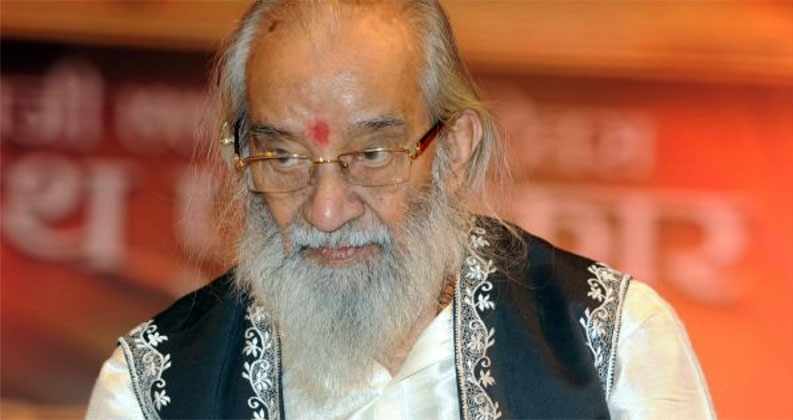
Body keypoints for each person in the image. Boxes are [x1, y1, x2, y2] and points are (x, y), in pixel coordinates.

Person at [86, 1, 716, 419]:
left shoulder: (611, 346)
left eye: (372, 155)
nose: (326, 210)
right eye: (283, 158)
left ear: (454, 152)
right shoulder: (155, 388)